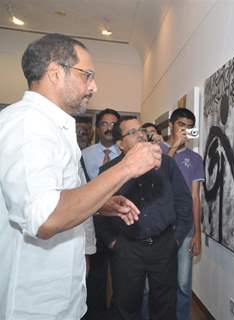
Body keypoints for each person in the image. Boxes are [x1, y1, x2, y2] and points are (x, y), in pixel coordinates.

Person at [0, 33, 162, 319]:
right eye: (87, 75)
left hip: (61, 298)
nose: (94, 86)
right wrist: (127, 167)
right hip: (33, 304)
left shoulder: (53, 127)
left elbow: (56, 195)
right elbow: (46, 216)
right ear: (54, 72)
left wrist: (99, 205)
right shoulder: (28, 125)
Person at [97, 117, 193, 320]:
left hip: (164, 245)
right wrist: (114, 242)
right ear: (120, 144)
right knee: (126, 306)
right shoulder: (108, 171)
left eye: (140, 129)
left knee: (165, 306)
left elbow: (184, 202)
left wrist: (175, 238)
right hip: (127, 249)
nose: (140, 133)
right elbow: (99, 211)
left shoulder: (166, 163)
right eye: (131, 132)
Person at [164, 108, 204, 320]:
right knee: (157, 283)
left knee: (183, 282)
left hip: (186, 228)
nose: (184, 130)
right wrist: (172, 147)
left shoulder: (195, 158)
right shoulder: (156, 151)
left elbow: (195, 197)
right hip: (159, 228)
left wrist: (198, 233)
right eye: (181, 125)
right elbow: (157, 176)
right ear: (171, 125)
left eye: (189, 127)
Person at [81, 108, 122, 319]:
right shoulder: (84, 155)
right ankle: (95, 312)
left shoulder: (126, 156)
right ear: (98, 127)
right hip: (94, 221)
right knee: (96, 273)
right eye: (105, 124)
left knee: (121, 274)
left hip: (119, 222)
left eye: (114, 124)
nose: (109, 128)